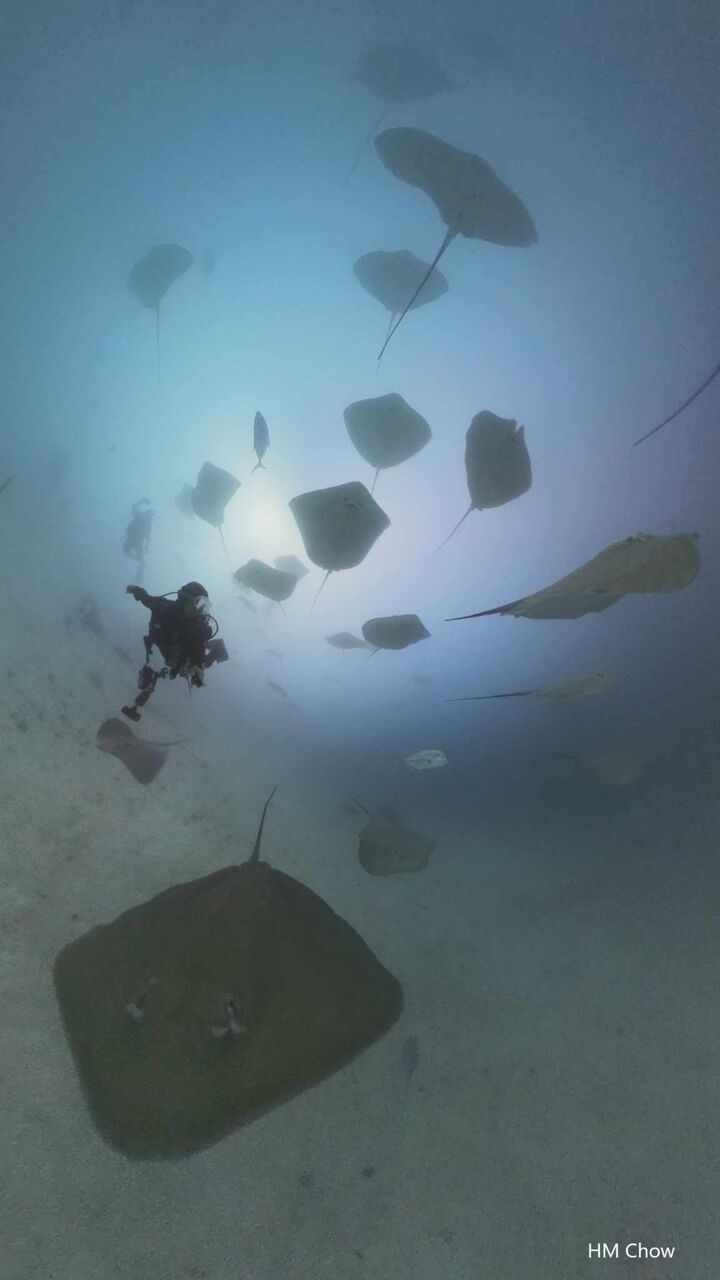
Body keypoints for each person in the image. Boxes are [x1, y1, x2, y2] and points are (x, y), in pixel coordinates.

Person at [121, 581, 228, 721]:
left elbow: (198, 652)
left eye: (204, 606)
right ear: (184, 600)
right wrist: (137, 590)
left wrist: (196, 666)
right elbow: (147, 599)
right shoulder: (163, 607)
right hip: (161, 646)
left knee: (195, 668)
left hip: (182, 653)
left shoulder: (198, 628)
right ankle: (137, 705)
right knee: (148, 676)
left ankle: (217, 648)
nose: (201, 611)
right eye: (199, 604)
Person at [123, 499, 154, 580]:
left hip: (137, 541)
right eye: (149, 515)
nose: (149, 517)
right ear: (146, 513)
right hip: (132, 539)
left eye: (151, 516)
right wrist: (141, 501)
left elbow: (148, 536)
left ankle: (139, 573)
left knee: (140, 560)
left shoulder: (148, 525)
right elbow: (134, 507)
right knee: (126, 551)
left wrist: (147, 546)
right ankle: (139, 564)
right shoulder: (139, 516)